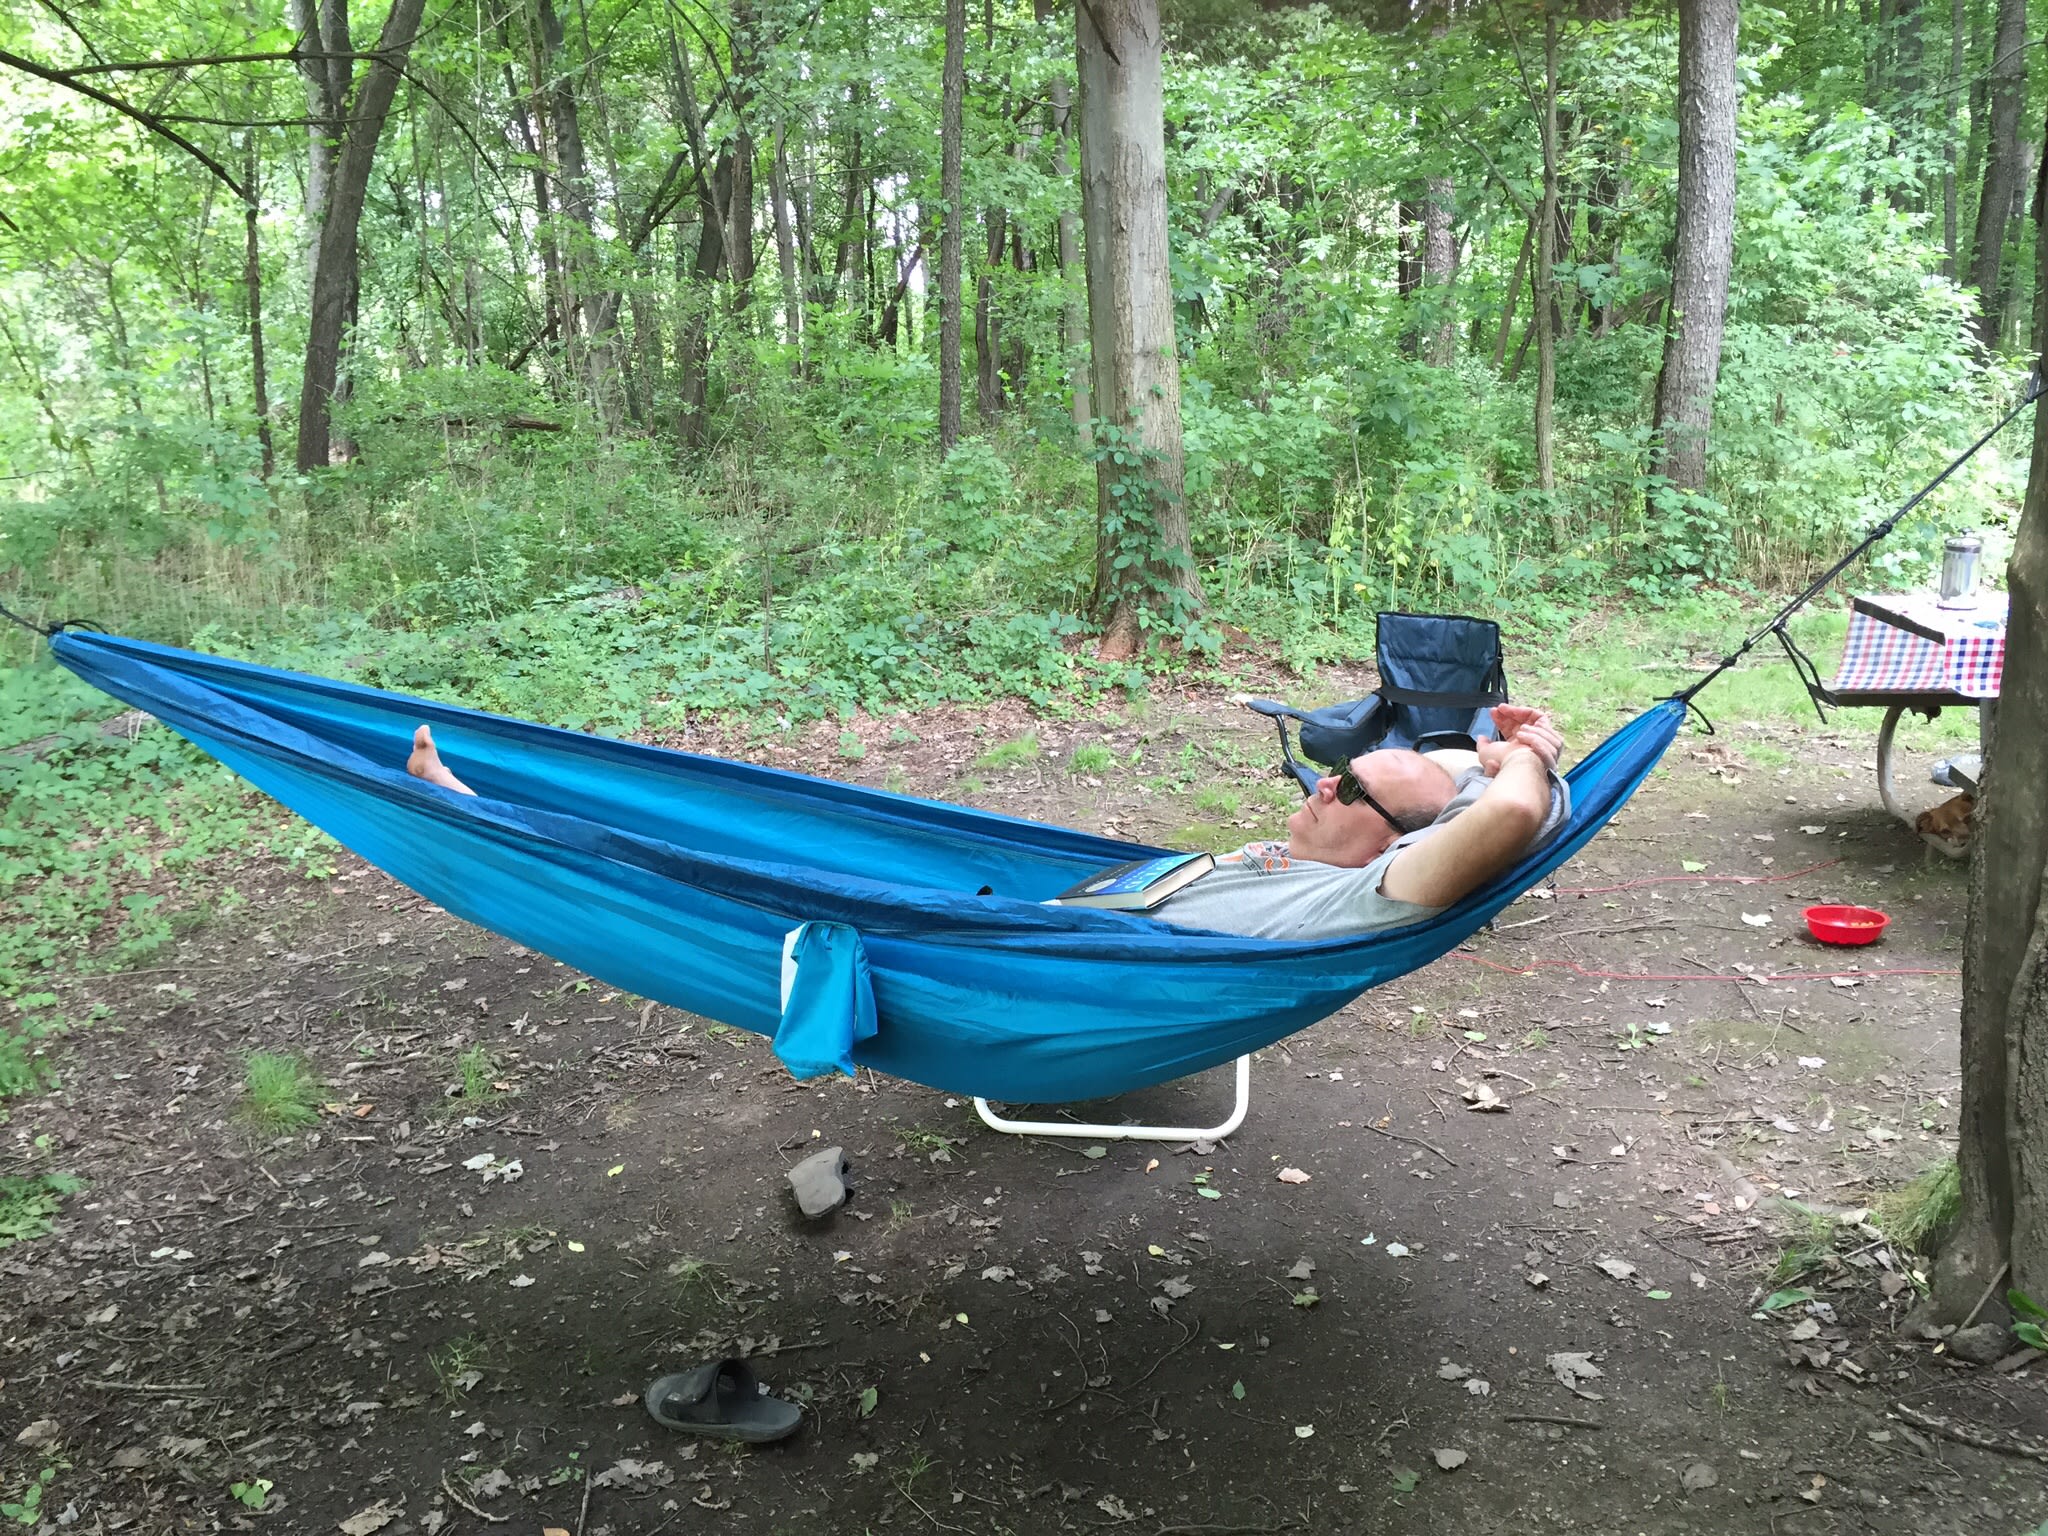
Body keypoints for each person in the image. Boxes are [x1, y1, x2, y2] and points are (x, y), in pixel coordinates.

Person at [1151, 705, 1569, 941]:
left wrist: (1524, 757)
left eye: (1352, 787)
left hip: (1117, 959)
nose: (1325, 784)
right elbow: (1445, 768)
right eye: (1340, 770)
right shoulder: (1313, 860)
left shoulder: (1359, 895)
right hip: (1123, 894)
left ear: (1389, 847)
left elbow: (1513, 809)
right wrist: (1492, 763)